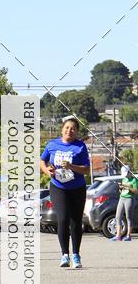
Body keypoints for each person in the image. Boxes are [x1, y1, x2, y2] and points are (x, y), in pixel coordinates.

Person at [40, 115, 90, 268]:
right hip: (58, 187)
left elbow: (87, 170)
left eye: (73, 129)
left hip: (77, 188)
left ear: (76, 132)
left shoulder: (80, 147)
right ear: (62, 130)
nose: (70, 130)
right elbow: (42, 161)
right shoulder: (52, 145)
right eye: (67, 128)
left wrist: (71, 166)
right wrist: (47, 171)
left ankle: (76, 255)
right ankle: (64, 255)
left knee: (75, 221)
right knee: (62, 219)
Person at [113, 164, 138, 241]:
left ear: (129, 172)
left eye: (126, 174)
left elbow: (136, 191)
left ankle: (128, 235)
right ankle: (118, 235)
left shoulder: (134, 180)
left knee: (128, 217)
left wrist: (127, 187)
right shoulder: (124, 179)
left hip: (129, 199)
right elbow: (121, 191)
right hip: (122, 198)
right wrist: (121, 188)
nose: (125, 175)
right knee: (118, 216)